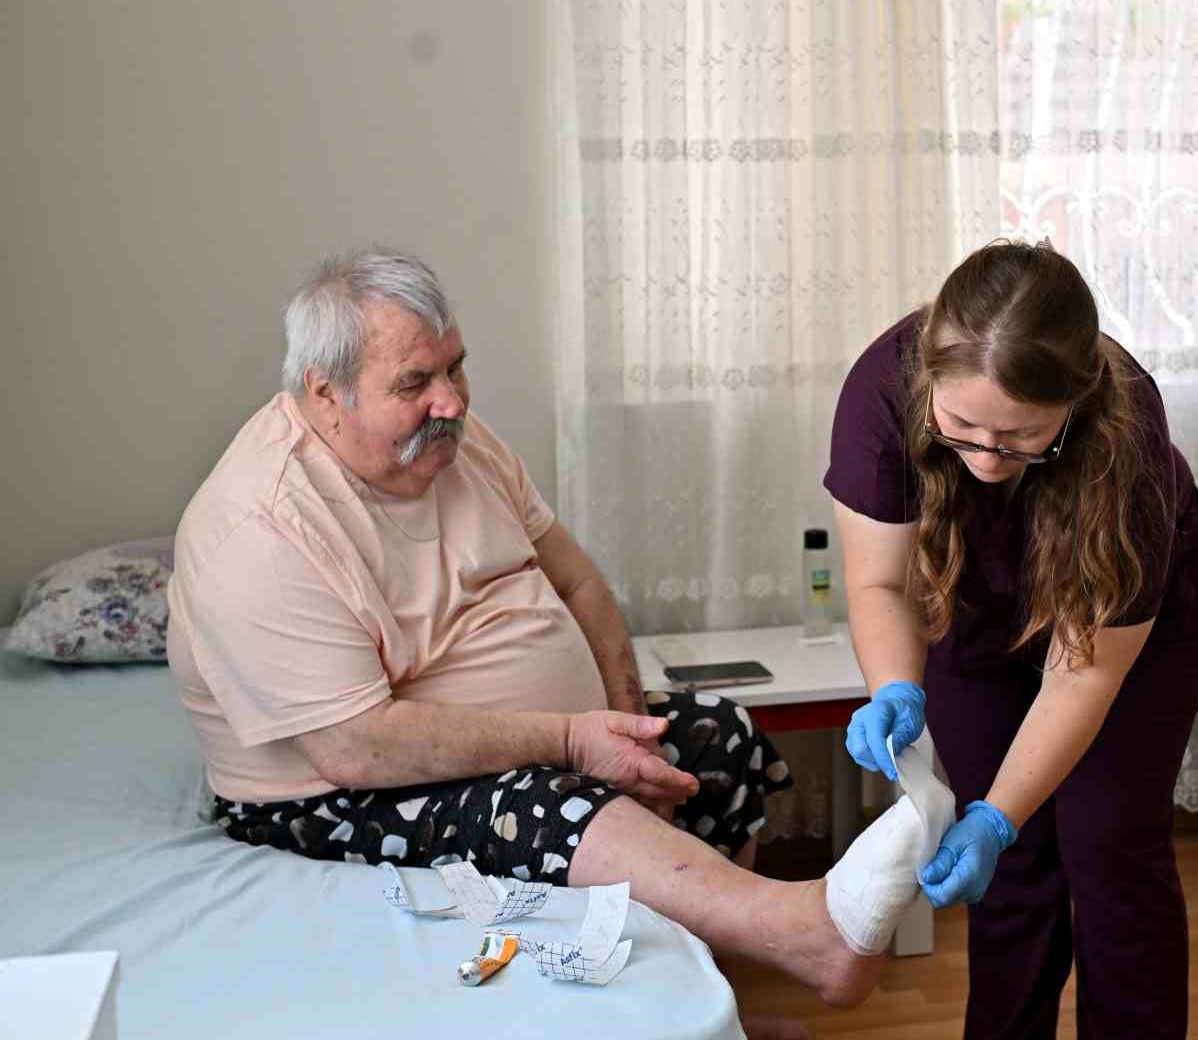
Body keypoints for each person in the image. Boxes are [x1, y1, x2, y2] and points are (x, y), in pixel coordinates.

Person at [167, 248, 891, 1038]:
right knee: (550, 805)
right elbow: (354, 748)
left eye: (455, 367)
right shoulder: (263, 527)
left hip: (526, 739)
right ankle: (801, 931)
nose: (450, 400)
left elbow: (580, 584)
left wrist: (629, 730)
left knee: (718, 740)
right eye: (414, 384)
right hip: (325, 796)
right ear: (323, 393)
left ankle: (715, 1012)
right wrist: (578, 742)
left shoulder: (457, 443)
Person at [824, 240, 1198, 1039]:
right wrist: (895, 686)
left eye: (1019, 438)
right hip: (971, 603)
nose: (985, 458)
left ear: (1073, 406)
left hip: (1124, 635)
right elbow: (879, 583)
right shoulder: (880, 390)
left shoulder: (1127, 439)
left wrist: (998, 815)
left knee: (1111, 854)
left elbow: (1083, 676)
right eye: (962, 427)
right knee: (1012, 882)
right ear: (930, 377)